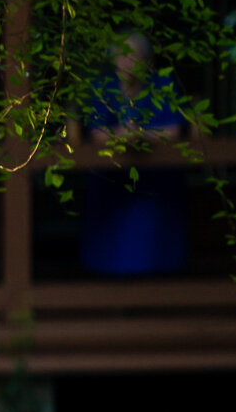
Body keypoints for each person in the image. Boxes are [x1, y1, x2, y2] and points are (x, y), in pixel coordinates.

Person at [81, 32, 190, 276]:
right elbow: (97, 133)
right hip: (113, 180)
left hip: (155, 180)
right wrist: (122, 136)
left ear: (146, 61)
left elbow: (173, 130)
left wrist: (142, 135)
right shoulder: (103, 87)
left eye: (133, 57)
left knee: (154, 244)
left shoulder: (162, 85)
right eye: (120, 56)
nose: (126, 62)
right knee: (111, 247)